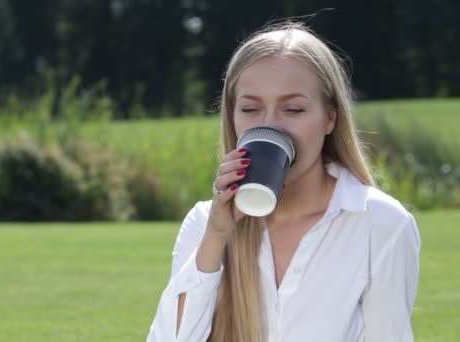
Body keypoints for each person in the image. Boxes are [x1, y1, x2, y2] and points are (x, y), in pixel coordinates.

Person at [147, 21, 420, 342]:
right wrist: (216, 237)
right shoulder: (204, 224)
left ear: (330, 117)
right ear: (232, 119)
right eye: (250, 108)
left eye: (293, 109)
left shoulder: (381, 224)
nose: (271, 126)